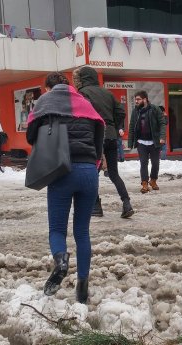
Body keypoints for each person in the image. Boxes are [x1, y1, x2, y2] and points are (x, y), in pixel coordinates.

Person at [26, 72, 104, 304]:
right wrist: (95, 162)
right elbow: (99, 135)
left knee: (57, 230)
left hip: (61, 171)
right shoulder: (85, 103)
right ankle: (82, 286)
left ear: (49, 87)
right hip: (89, 171)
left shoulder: (45, 101)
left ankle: (61, 260)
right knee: (82, 232)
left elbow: (31, 136)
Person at [72, 65, 134, 219]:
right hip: (111, 136)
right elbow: (121, 112)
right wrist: (112, 124)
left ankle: (96, 207)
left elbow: (82, 114)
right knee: (113, 173)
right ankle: (126, 203)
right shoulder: (107, 92)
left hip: (95, 137)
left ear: (82, 79)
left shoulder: (82, 93)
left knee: (93, 173)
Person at [127, 91, 166, 194]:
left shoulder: (155, 109)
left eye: (138, 99)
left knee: (155, 163)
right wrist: (130, 142)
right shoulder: (135, 111)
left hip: (154, 142)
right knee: (143, 163)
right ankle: (144, 183)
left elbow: (162, 123)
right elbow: (132, 127)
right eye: (135, 99)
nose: (136, 101)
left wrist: (162, 137)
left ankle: (153, 180)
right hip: (141, 142)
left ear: (145, 99)